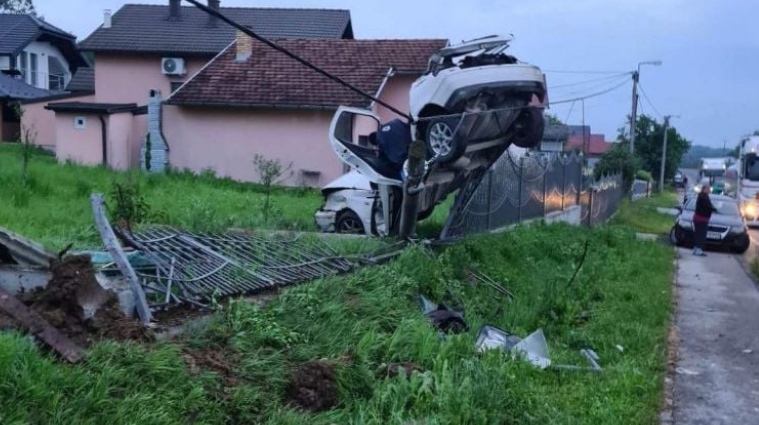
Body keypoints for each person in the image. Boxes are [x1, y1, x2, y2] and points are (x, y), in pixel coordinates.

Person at [693, 184, 718, 256]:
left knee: (698, 234)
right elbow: (707, 206)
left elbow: (709, 205)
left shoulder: (703, 196)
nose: (710, 190)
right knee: (701, 235)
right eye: (708, 189)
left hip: (700, 218)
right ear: (704, 189)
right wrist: (714, 209)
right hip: (701, 219)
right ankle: (698, 250)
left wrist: (713, 208)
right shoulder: (703, 197)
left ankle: (696, 249)